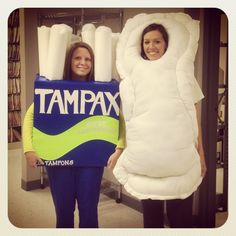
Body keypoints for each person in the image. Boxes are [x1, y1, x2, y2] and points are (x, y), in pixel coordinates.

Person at [108, 23, 207, 228]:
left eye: (157, 41)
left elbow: (194, 118)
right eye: (146, 42)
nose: (151, 46)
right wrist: (120, 150)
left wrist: (201, 154)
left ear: (166, 44)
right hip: (147, 160)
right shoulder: (134, 77)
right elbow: (129, 120)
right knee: (151, 221)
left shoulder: (183, 74)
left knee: (180, 220)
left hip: (177, 158)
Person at [23, 42, 114, 228]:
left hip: (91, 161)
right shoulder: (54, 87)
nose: (83, 62)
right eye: (78, 58)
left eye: (88, 59)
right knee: (63, 212)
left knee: (89, 211)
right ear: (69, 61)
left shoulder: (102, 90)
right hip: (59, 160)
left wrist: (119, 148)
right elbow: (30, 117)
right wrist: (29, 150)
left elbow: (118, 120)